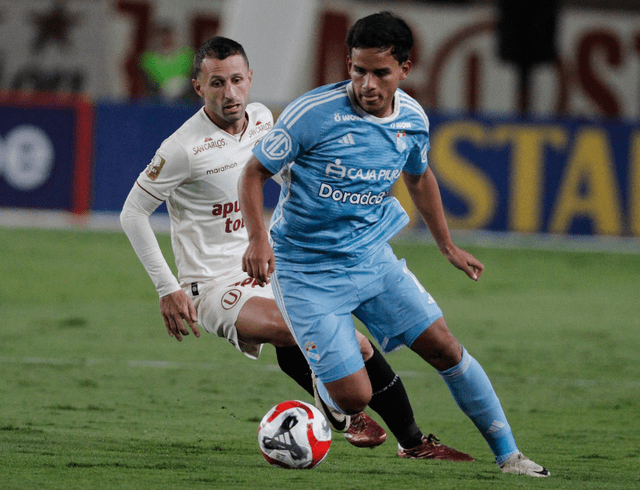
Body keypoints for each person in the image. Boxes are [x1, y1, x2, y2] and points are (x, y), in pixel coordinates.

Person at [120, 36, 473, 460]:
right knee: (308, 332)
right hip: (214, 285)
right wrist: (167, 288)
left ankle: (415, 444)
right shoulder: (182, 148)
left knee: (338, 343)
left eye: (236, 80)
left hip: (273, 264)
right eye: (216, 83)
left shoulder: (262, 119)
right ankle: (341, 414)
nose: (229, 93)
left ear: (250, 79)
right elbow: (132, 213)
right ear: (198, 87)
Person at [239, 12, 549, 477]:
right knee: (355, 397)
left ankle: (510, 457)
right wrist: (258, 239)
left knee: (446, 348)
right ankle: (330, 389)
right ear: (348, 63)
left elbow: (420, 177)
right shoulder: (312, 114)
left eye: (380, 73)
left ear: (405, 69)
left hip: (371, 259)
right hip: (305, 271)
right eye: (358, 70)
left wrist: (447, 245)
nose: (367, 84)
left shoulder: (412, 120)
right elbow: (253, 172)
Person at [140, 22, 195, 102]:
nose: (165, 39)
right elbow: (147, 84)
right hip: (158, 99)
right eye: (161, 35)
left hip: (185, 99)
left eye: (168, 35)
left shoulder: (188, 55)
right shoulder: (148, 59)